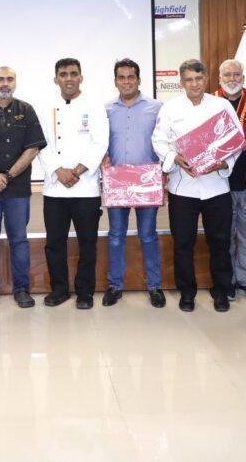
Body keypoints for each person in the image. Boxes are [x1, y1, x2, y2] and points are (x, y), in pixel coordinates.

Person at [153, 59, 238, 313]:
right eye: (189, 79)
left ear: (206, 79)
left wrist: (223, 163)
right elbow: (159, 141)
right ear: (181, 82)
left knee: (220, 243)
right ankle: (187, 293)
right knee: (183, 244)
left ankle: (221, 291)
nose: (194, 84)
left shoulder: (222, 106)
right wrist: (174, 158)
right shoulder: (170, 108)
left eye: (199, 79)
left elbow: (236, 140)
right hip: (183, 188)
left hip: (216, 187)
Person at [37, 58, 109, 310]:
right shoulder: (45, 107)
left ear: (81, 77)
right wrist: (59, 171)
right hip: (55, 188)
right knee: (54, 243)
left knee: (87, 242)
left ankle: (85, 292)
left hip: (86, 187)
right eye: (63, 74)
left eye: (73, 74)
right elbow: (41, 144)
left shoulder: (94, 106)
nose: (69, 78)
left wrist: (77, 171)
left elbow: (100, 143)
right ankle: (59, 290)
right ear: (56, 79)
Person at [0, 66, 46, 309]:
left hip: (17, 189)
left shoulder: (26, 110)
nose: (5, 83)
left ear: (15, 82)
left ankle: (22, 288)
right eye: (0, 79)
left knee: (19, 240)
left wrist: (7, 175)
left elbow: (33, 148)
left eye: (9, 79)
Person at [102, 58, 165, 308]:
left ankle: (154, 286)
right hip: (117, 183)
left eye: (131, 77)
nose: (126, 82)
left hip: (147, 182)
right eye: (121, 77)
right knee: (116, 236)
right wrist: (102, 158)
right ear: (115, 81)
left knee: (148, 235)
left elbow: (165, 141)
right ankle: (114, 286)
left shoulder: (157, 107)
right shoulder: (105, 109)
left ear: (139, 80)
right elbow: (100, 142)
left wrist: (164, 173)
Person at [213, 58, 246, 297]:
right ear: (219, 79)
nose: (232, 79)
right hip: (217, 183)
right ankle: (227, 281)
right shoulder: (209, 102)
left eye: (236, 75)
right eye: (227, 75)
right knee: (223, 235)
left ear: (243, 78)